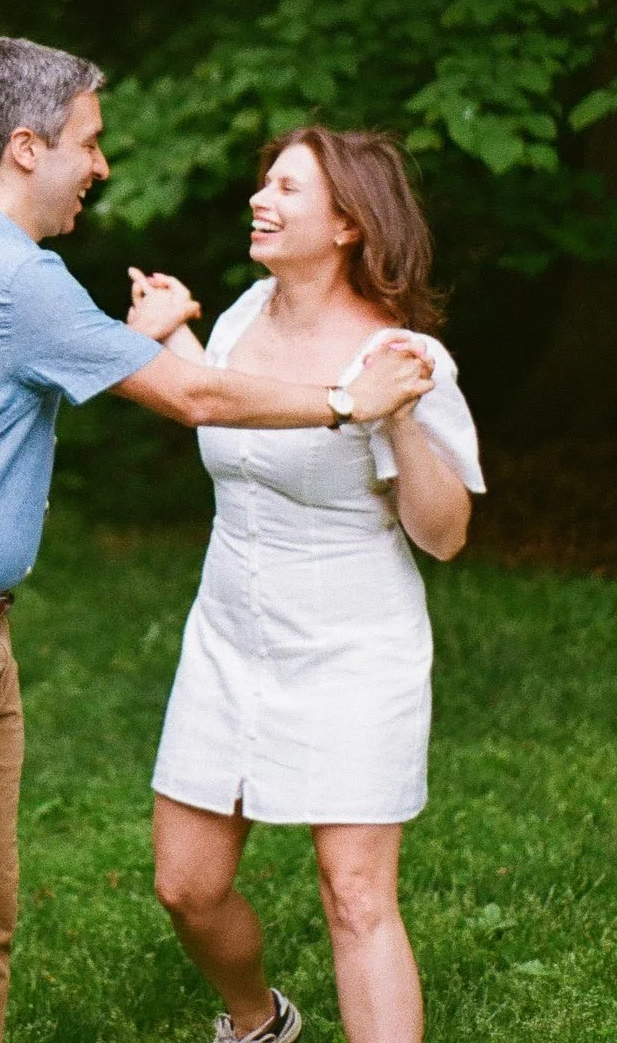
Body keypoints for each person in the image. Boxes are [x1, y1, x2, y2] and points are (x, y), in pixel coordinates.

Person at [0, 39, 435, 1043]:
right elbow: (191, 394)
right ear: (26, 147)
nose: (99, 165)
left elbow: (53, 379)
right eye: (88, 143)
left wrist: (143, 336)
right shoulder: (8, 274)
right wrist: (341, 399)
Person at [143, 128, 484, 1043]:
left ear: (345, 224)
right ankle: (260, 1023)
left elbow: (445, 535)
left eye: (288, 188)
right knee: (187, 884)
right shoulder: (247, 313)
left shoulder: (403, 354)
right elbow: (228, 408)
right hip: (226, 635)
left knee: (357, 894)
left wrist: (402, 420)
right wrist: (172, 328)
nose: (263, 197)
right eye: (266, 181)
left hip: (352, 646)